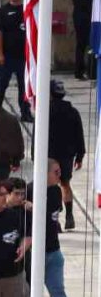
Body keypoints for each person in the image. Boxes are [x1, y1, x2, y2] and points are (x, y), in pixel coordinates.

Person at [30, 160, 88, 297]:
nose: (59, 175)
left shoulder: (56, 191)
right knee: (27, 294)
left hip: (53, 251)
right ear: (44, 173)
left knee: (58, 290)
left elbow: (53, 219)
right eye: (56, 172)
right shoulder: (29, 191)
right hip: (33, 252)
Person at [47, 81, 84, 230]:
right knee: (65, 184)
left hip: (49, 155)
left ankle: (54, 220)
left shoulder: (45, 111)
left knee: (50, 188)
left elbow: (38, 134)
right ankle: (69, 215)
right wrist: (80, 155)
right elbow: (79, 134)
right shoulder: (73, 112)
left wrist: (34, 155)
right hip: (67, 155)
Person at [0, 0, 33, 122]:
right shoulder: (3, 11)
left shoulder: (27, 9)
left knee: (24, 86)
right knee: (0, 85)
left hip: (24, 57)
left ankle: (25, 113)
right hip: (6, 56)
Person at [72, 0, 95, 80]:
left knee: (80, 46)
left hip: (77, 18)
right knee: (91, 46)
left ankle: (78, 71)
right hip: (89, 20)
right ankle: (91, 71)